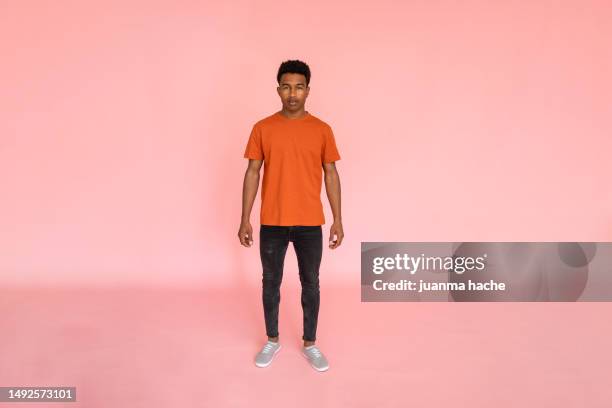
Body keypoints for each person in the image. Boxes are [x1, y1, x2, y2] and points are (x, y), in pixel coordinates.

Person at [238, 59, 343, 372]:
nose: (292, 93)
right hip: (272, 221)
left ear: (308, 90)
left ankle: (310, 343)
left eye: (299, 86)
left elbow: (331, 173)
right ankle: (272, 339)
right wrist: (245, 218)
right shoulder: (263, 128)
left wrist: (338, 219)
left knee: (311, 283)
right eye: (286, 86)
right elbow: (252, 171)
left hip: (310, 222)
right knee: (270, 282)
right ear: (278, 90)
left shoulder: (322, 130)